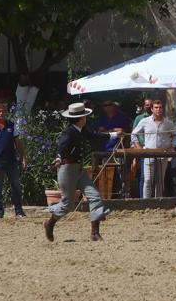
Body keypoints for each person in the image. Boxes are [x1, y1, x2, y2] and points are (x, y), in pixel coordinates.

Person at [44, 102, 120, 242]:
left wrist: (114, 135)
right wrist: (59, 158)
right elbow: (62, 147)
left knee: (95, 196)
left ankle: (94, 233)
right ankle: (50, 223)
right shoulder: (69, 133)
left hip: (79, 169)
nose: (86, 118)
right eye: (85, 116)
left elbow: (95, 136)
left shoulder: (82, 130)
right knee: (67, 205)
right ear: (81, 118)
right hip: (67, 170)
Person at [0, 103, 28, 217]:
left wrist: (23, 157)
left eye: (3, 111)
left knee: (17, 187)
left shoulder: (11, 126)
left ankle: (19, 211)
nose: (1, 113)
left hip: (11, 162)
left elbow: (18, 143)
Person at [132, 100, 176, 198]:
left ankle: (158, 202)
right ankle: (146, 202)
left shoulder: (168, 123)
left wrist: (172, 146)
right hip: (148, 154)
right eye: (156, 107)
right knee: (147, 180)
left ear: (162, 109)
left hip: (163, 154)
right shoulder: (144, 121)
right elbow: (134, 134)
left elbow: (175, 136)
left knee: (160, 181)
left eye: (160, 107)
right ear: (152, 109)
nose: (158, 109)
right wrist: (139, 149)